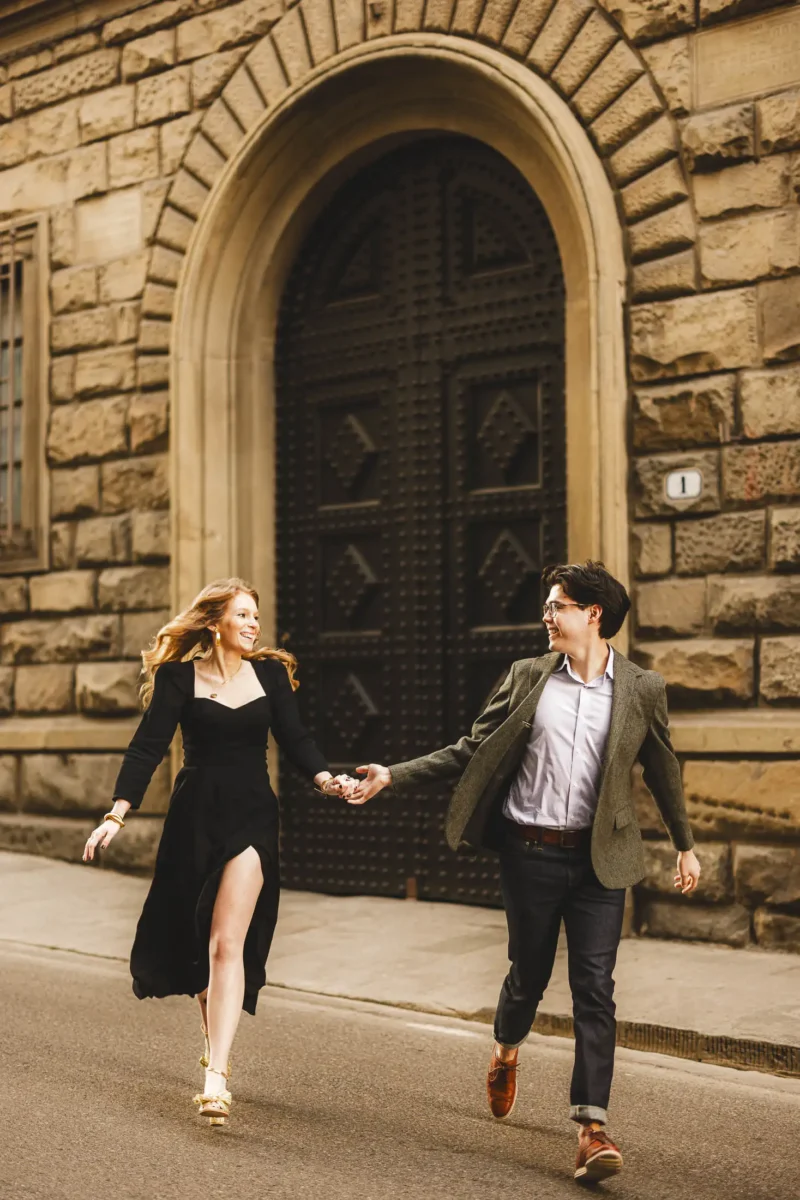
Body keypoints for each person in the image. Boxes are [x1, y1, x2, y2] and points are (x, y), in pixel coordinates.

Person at [349, 560, 701, 1183]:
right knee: (528, 976)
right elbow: (470, 749)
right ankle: (506, 1050)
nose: (546, 616)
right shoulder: (527, 677)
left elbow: (663, 769)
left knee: (595, 989)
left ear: (593, 615)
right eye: (548, 605)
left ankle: (592, 1130)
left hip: (600, 863)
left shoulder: (643, 689)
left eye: (557, 606)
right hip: (530, 853)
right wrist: (393, 775)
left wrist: (685, 843)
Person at [82, 577, 355, 1127]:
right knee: (202, 945)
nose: (254, 624)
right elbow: (148, 746)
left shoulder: (271, 676)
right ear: (215, 623)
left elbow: (296, 740)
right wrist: (117, 813)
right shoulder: (178, 678)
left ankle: (217, 1076)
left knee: (228, 941)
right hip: (194, 816)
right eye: (244, 615)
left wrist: (327, 779)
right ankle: (213, 1040)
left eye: (256, 616)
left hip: (253, 813)